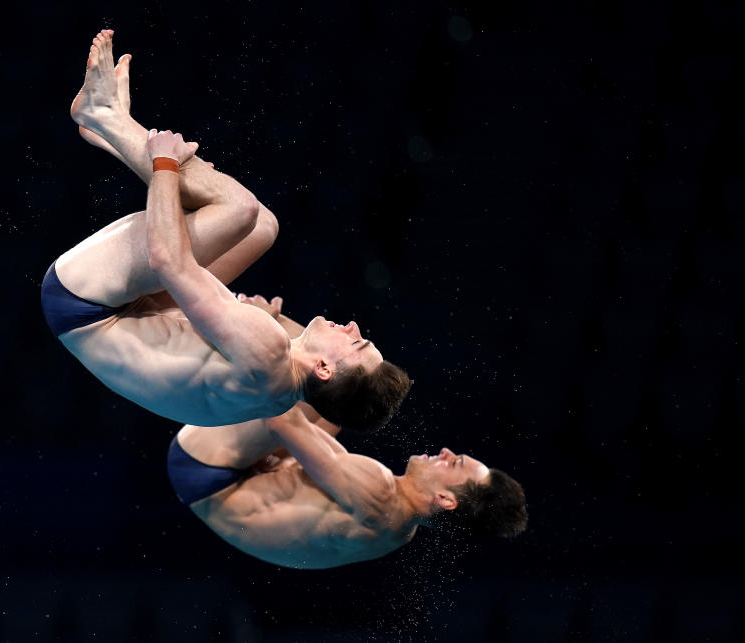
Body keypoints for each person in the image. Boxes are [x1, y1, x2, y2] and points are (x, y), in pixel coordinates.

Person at [43, 28, 410, 432]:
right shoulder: (278, 395)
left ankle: (104, 115)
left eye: (357, 343)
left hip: (84, 301)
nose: (355, 328)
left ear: (323, 368)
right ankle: (112, 130)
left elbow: (167, 260)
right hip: (126, 315)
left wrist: (165, 165)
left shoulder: (267, 351)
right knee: (261, 227)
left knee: (238, 209)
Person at [167, 299, 528, 569]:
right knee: (347, 399)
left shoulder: (379, 491)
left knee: (314, 386)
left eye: (457, 463)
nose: (448, 452)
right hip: (226, 486)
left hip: (208, 471)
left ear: (446, 500)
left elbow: (280, 418)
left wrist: (266, 325)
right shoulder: (399, 531)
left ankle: (188, 310)